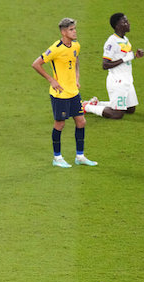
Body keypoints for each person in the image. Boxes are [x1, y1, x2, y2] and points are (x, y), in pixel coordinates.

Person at [31, 17, 97, 168]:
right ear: (63, 32)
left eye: (75, 29)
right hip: (60, 94)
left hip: (73, 92)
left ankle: (80, 156)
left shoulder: (76, 45)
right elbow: (36, 64)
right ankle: (57, 158)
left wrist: (77, 76)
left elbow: (76, 59)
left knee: (81, 122)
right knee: (59, 125)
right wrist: (51, 80)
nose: (75, 32)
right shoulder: (55, 48)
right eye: (71, 30)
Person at [83, 13, 144, 119]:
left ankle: (96, 103)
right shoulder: (111, 42)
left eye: (127, 21)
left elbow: (126, 57)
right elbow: (105, 65)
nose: (128, 23)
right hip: (117, 81)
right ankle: (87, 106)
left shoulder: (125, 39)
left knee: (130, 109)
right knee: (117, 114)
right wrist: (125, 58)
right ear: (117, 26)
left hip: (127, 79)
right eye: (124, 22)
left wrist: (135, 56)